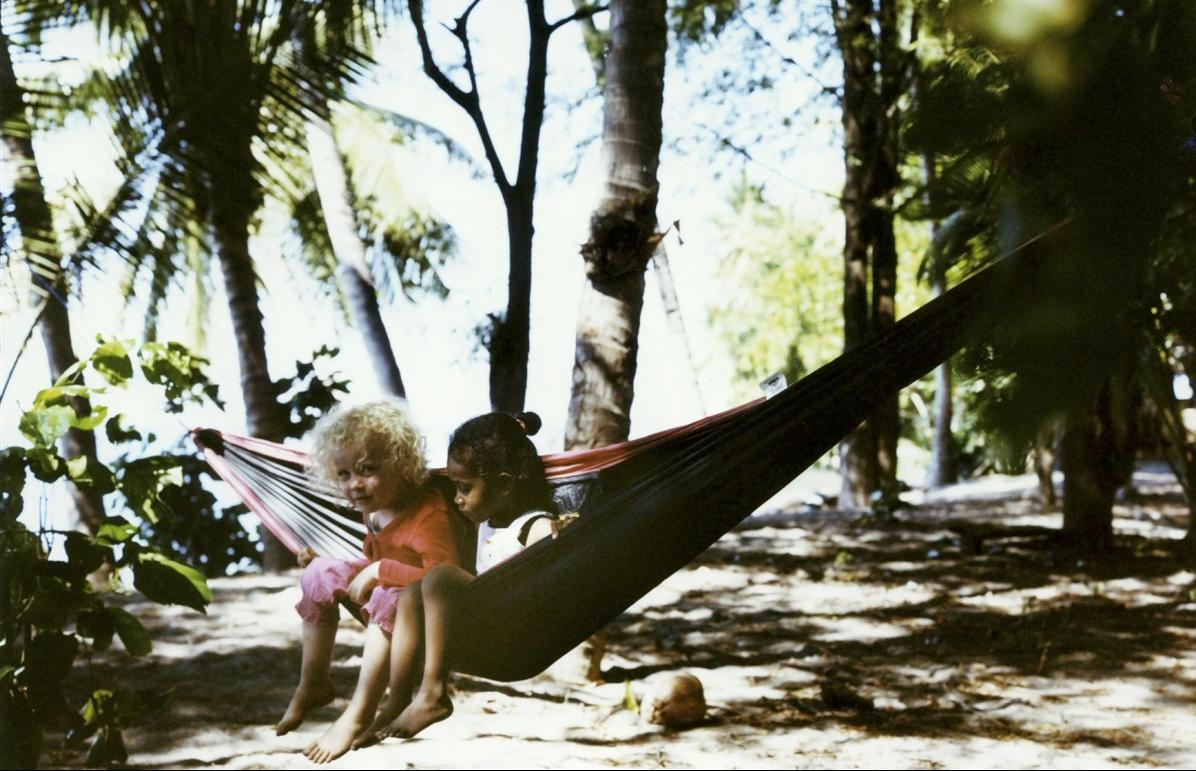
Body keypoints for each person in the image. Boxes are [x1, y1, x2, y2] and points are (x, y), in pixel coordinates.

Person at [353, 411, 559, 746]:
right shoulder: (487, 521)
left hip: (514, 626)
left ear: (505, 485)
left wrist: (561, 534)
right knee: (412, 591)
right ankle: (399, 697)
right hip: (479, 621)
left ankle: (433, 692)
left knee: (438, 578)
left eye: (464, 488)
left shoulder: (533, 525)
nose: (457, 498)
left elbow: (557, 564)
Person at [272, 400, 462, 764]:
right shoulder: (376, 509)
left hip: (419, 611)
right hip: (386, 594)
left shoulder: (428, 514)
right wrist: (344, 566)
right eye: (343, 475)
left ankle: (360, 711)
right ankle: (313, 682)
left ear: (403, 465)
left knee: (390, 595)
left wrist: (379, 571)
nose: (354, 485)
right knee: (318, 573)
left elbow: (444, 577)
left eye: (367, 470)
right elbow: (374, 562)